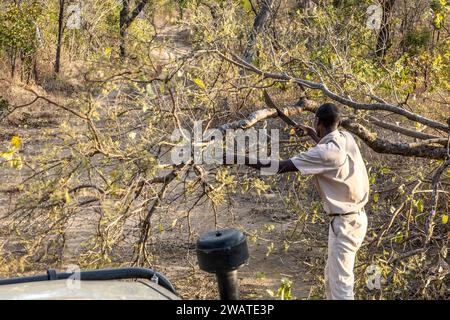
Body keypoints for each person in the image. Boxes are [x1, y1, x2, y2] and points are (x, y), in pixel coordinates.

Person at [225, 103, 369, 300]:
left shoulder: (324, 153)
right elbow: (329, 150)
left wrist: (237, 158)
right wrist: (311, 133)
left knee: (340, 287)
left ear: (318, 121)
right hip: (356, 219)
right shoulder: (346, 138)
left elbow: (280, 167)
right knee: (334, 279)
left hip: (345, 224)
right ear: (338, 122)